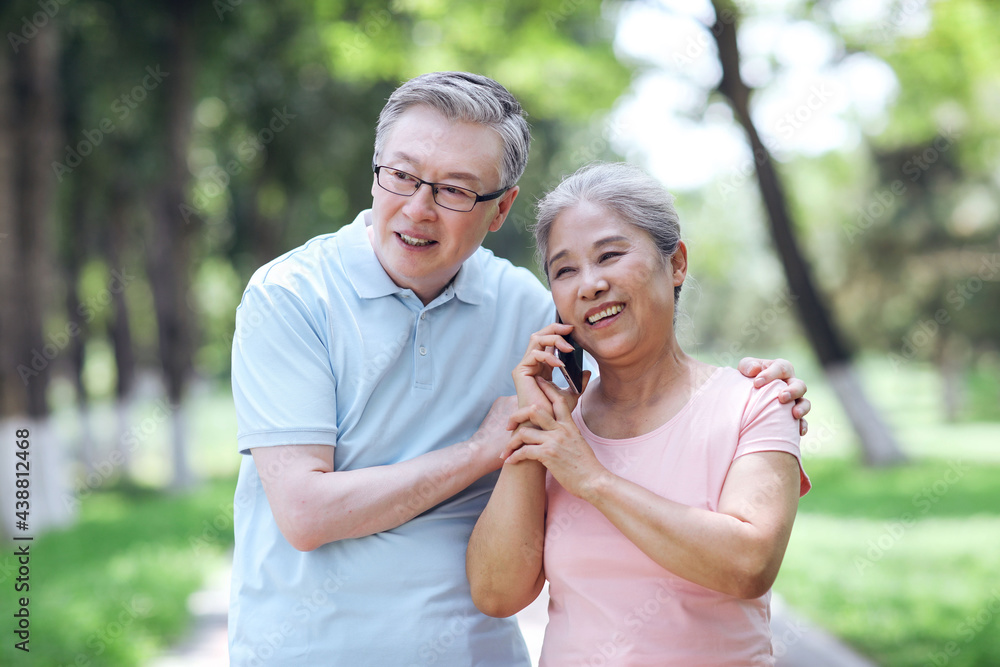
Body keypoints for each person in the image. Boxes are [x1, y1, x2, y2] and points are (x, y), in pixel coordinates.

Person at [229, 73, 810, 666]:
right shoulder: (292, 296)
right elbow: (304, 512)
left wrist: (757, 394)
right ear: (375, 170)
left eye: (455, 190)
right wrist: (485, 450)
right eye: (401, 176)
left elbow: (643, 371)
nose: (419, 208)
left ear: (500, 207)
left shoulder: (528, 309)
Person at [466, 162, 812, 667]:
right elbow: (497, 594)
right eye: (565, 270)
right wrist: (536, 425)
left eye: (610, 255)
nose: (590, 285)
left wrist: (593, 480)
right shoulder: (559, 426)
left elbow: (749, 565)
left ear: (676, 265)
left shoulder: (757, 401)